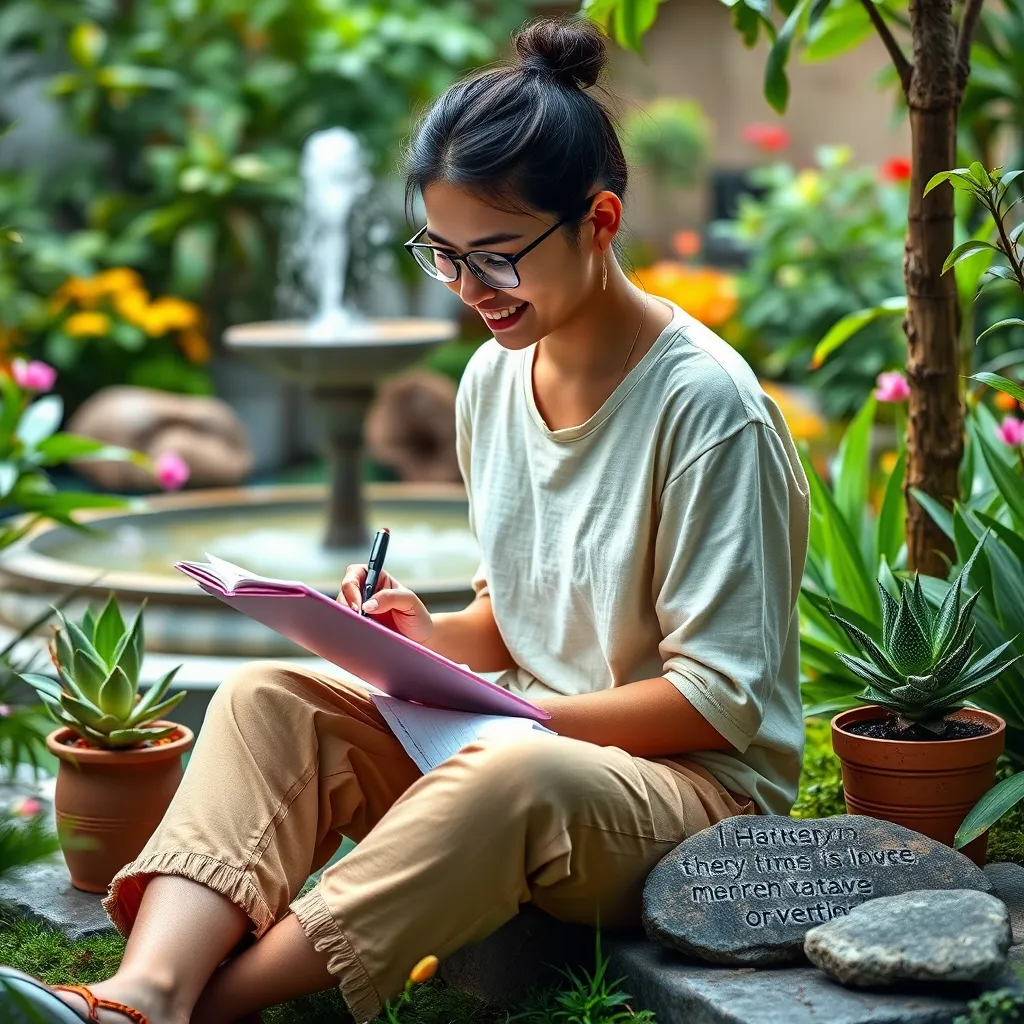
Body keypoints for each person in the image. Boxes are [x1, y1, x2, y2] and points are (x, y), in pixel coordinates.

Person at [1, 16, 809, 1024]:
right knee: (265, 696)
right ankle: (143, 989)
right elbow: (513, 613)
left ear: (599, 222)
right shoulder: (492, 376)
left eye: (497, 257)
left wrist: (520, 717)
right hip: (519, 752)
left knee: (509, 768)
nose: (470, 290)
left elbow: (718, 699)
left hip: (687, 798)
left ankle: (191, 1014)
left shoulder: (708, 410)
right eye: (443, 254)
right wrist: (429, 644)